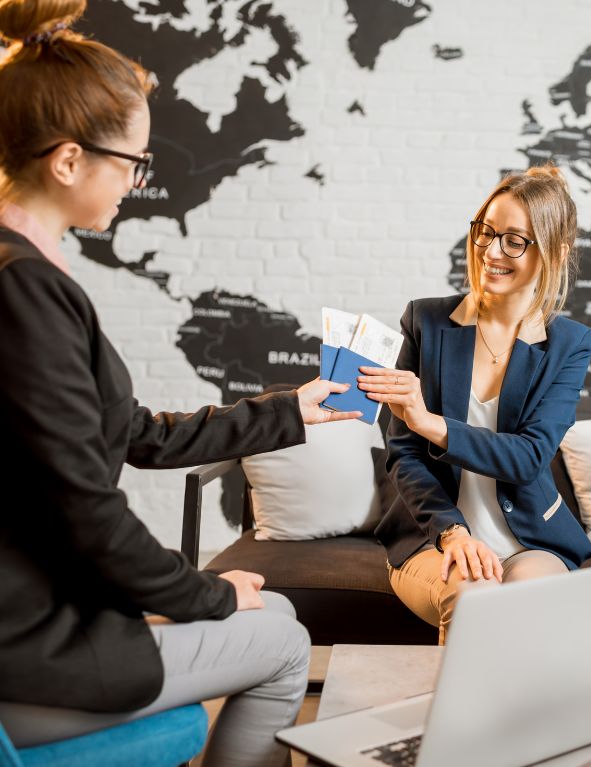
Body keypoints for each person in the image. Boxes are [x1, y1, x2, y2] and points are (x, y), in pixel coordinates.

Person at [0, 2, 362, 764]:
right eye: (131, 162)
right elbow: (86, 512)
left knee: (273, 616)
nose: (136, 179)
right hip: (29, 648)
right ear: (68, 161)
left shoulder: (27, 275)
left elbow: (134, 433)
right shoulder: (23, 292)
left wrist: (285, 412)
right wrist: (211, 592)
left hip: (34, 618)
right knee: (285, 638)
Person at [361, 167, 591, 644]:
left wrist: (431, 423)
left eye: (515, 241)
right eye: (486, 232)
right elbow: (404, 455)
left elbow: (529, 457)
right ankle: (456, 721)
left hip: (530, 540)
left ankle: (528, 718)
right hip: (436, 538)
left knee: (528, 608)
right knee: (475, 597)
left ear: (555, 252)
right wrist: (454, 534)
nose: (491, 252)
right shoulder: (425, 321)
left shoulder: (570, 344)